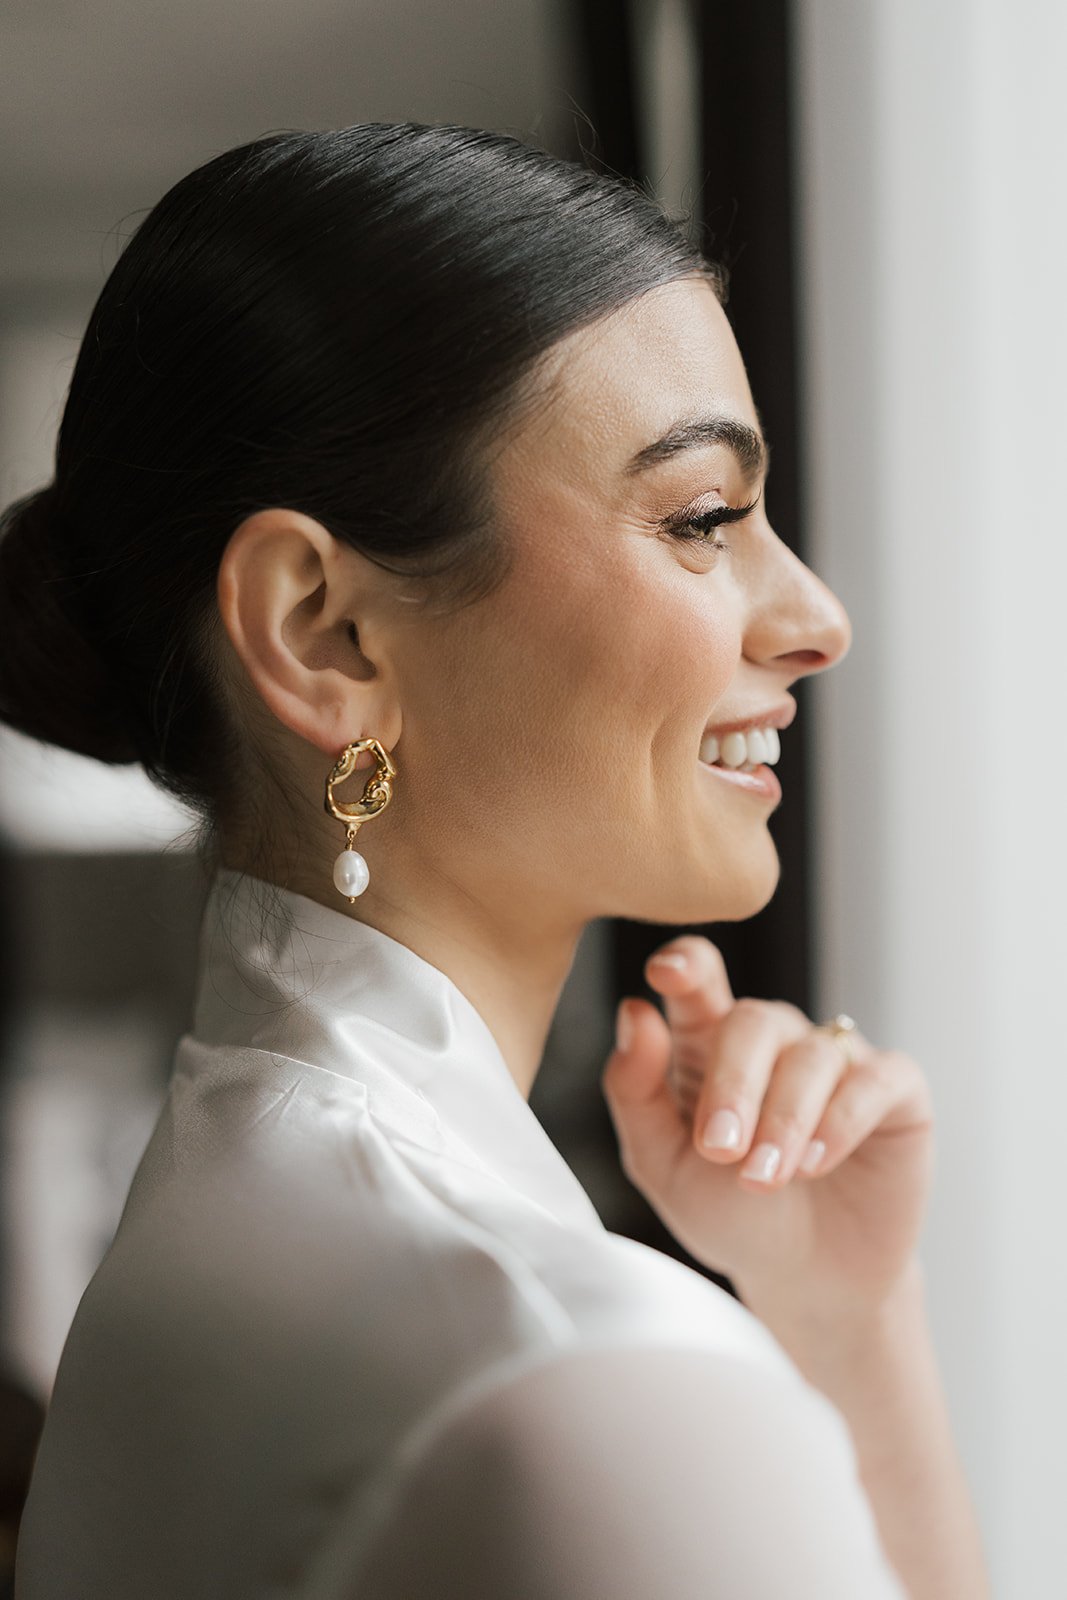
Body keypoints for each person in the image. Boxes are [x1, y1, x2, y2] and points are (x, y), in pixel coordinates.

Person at [0, 124, 988, 1598]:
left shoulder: (199, 1245)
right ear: (326, 632)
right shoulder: (581, 1374)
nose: (816, 618)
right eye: (703, 518)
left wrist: (845, 1311)